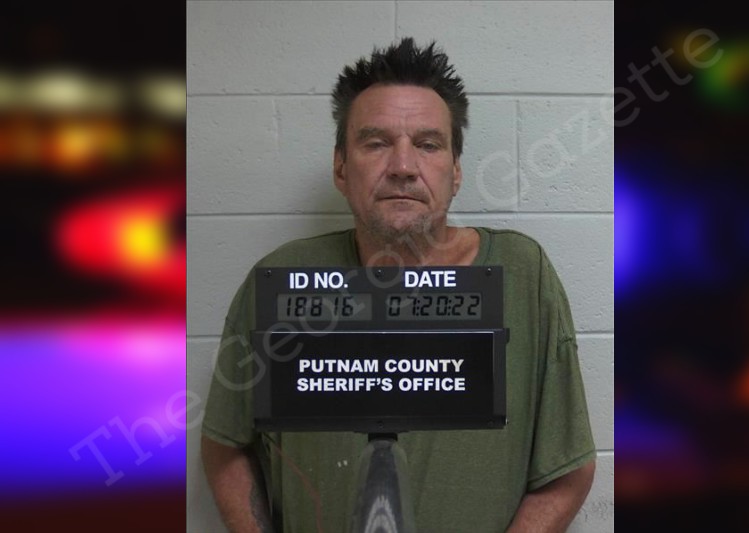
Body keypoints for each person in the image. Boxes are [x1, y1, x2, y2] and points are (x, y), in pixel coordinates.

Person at [201, 37, 595, 532]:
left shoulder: (522, 276)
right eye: (376, 143)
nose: (404, 167)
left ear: (455, 171)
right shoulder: (281, 282)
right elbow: (225, 445)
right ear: (341, 166)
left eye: (428, 145)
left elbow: (568, 471)